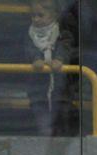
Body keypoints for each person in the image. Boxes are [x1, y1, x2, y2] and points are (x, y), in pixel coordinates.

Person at [24, 0, 71, 137]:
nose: (36, 19)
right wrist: (36, 59)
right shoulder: (29, 34)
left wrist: (60, 59)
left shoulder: (61, 32)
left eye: (40, 15)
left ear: (53, 16)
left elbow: (66, 46)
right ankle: (46, 136)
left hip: (59, 86)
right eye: (33, 16)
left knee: (61, 114)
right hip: (38, 87)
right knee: (43, 119)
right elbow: (28, 48)